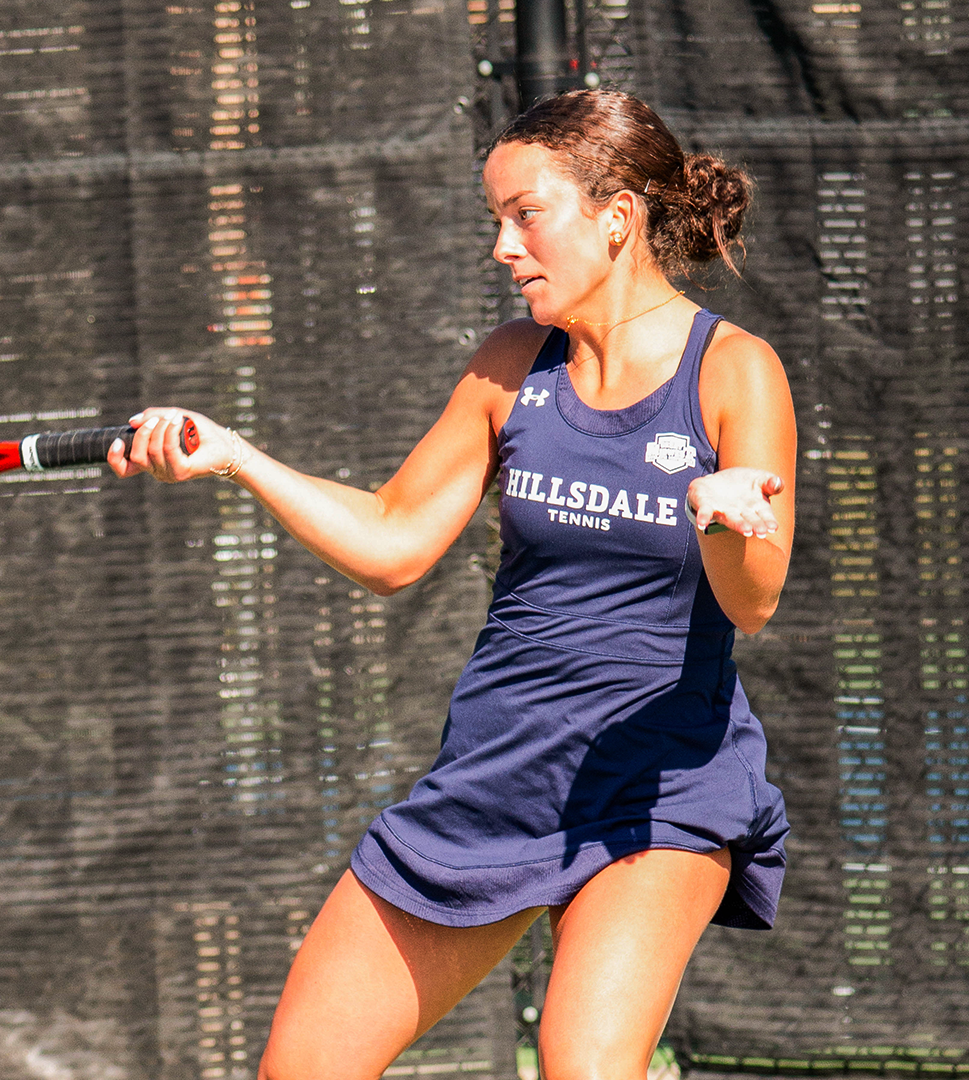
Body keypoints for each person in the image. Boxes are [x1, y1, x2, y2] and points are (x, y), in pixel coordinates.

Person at [109, 89, 795, 1080]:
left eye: (526, 215)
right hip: (494, 781)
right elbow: (393, 543)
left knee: (584, 1064)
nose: (503, 247)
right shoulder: (512, 367)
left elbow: (754, 597)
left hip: (661, 790)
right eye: (495, 221)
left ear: (617, 218)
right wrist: (236, 459)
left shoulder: (734, 372)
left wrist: (727, 522)